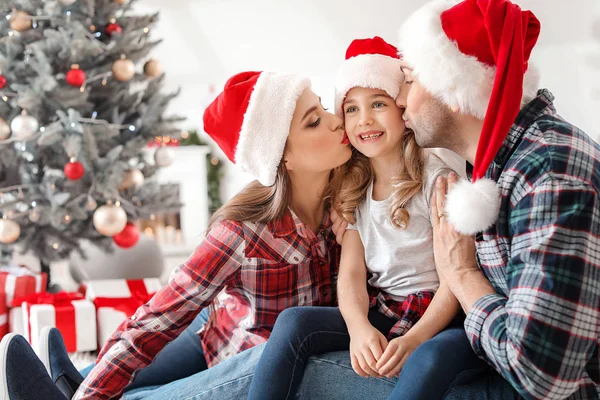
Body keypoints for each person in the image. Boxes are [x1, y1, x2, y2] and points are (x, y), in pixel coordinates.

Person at [0, 70, 352, 399]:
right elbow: (154, 323)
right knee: (162, 337)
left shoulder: (352, 193)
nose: (338, 119)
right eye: (314, 120)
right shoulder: (241, 235)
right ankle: (76, 387)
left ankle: (69, 386)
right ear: (282, 157)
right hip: (234, 346)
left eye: (322, 106)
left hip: (259, 341)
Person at [247, 36, 488, 400]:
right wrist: (358, 327)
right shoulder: (354, 185)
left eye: (378, 103)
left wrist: (415, 338)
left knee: (430, 358)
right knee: (295, 323)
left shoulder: (437, 179)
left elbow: (454, 279)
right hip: (388, 307)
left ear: (403, 109)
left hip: (444, 316)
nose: (365, 120)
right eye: (352, 109)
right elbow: (353, 273)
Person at [388, 0, 599, 398]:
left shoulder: (548, 175)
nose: (400, 99)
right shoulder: (496, 166)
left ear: (450, 87)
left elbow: (541, 374)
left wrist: (462, 274)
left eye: (410, 79)